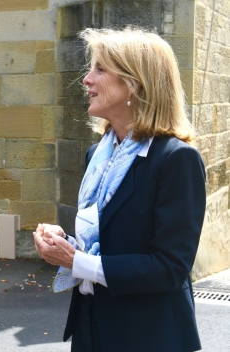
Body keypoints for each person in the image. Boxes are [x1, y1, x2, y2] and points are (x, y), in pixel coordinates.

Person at [33, 27, 205, 352]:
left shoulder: (176, 159)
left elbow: (170, 267)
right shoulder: (97, 154)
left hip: (149, 336)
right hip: (91, 326)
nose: (86, 79)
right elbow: (107, 241)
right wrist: (65, 245)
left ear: (134, 83)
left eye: (100, 69)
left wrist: (77, 262)